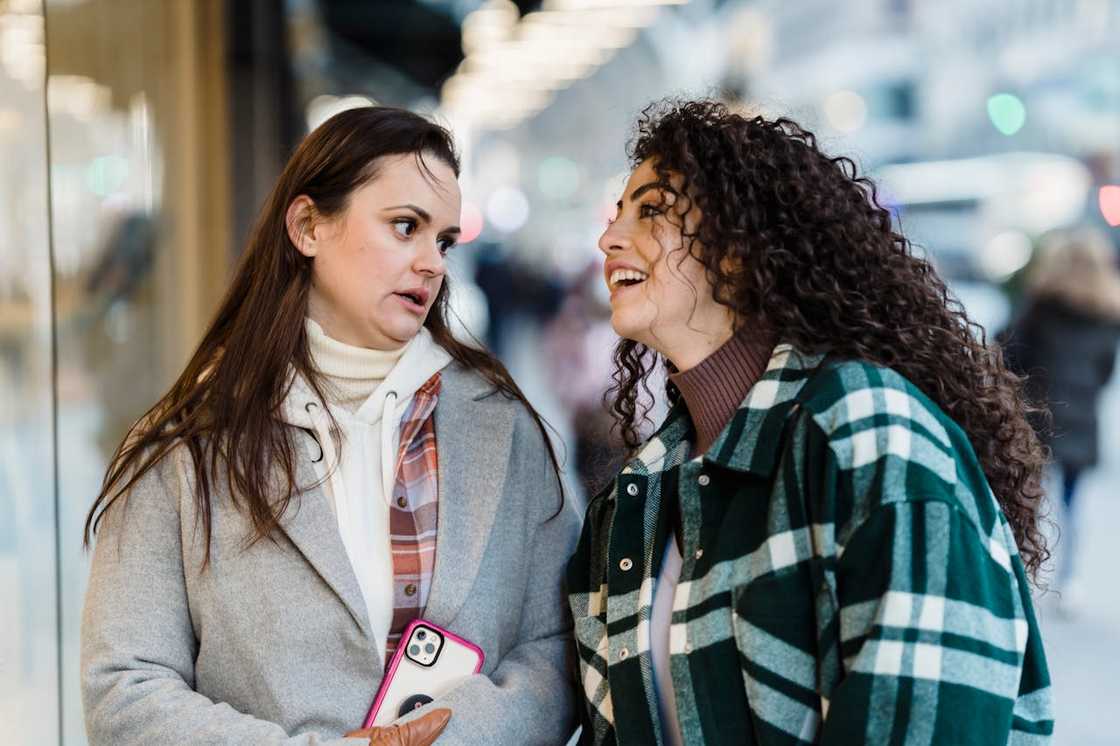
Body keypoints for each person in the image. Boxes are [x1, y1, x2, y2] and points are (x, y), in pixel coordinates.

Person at [81, 106, 579, 745]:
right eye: (405, 227)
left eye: (444, 241)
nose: (432, 263)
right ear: (309, 225)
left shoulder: (505, 432)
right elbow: (125, 687)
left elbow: (556, 648)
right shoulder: (187, 448)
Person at [567, 100, 1053, 745]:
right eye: (617, 213)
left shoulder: (868, 433)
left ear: (738, 250)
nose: (610, 238)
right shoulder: (637, 499)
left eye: (651, 210)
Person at [1001, 227, 1120, 612]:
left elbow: (1009, 351)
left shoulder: (1039, 308)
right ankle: (1070, 581)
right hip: (1083, 421)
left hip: (1040, 415)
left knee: (1031, 498)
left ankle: (1025, 571)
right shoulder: (1106, 316)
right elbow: (1105, 371)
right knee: (1072, 503)